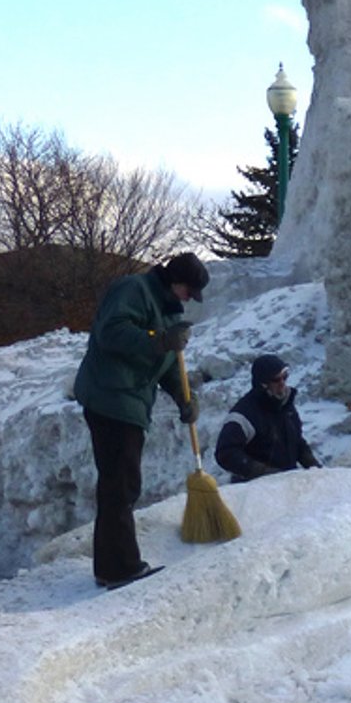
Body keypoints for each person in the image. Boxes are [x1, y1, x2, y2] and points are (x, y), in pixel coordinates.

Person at [72, 252, 208, 590]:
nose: (189, 299)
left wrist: (184, 397)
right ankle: (119, 569)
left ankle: (112, 566)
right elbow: (112, 333)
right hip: (110, 397)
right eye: (188, 291)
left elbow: (166, 363)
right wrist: (158, 340)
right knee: (120, 484)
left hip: (128, 401)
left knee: (120, 484)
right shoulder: (133, 290)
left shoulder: (163, 309)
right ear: (175, 281)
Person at [215, 354, 322, 482]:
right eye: (276, 380)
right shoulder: (244, 414)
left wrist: (313, 466)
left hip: (287, 484)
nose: (282, 383)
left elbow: (296, 440)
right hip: (255, 490)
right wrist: (261, 472)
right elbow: (225, 453)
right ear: (263, 384)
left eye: (284, 377)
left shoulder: (285, 406)